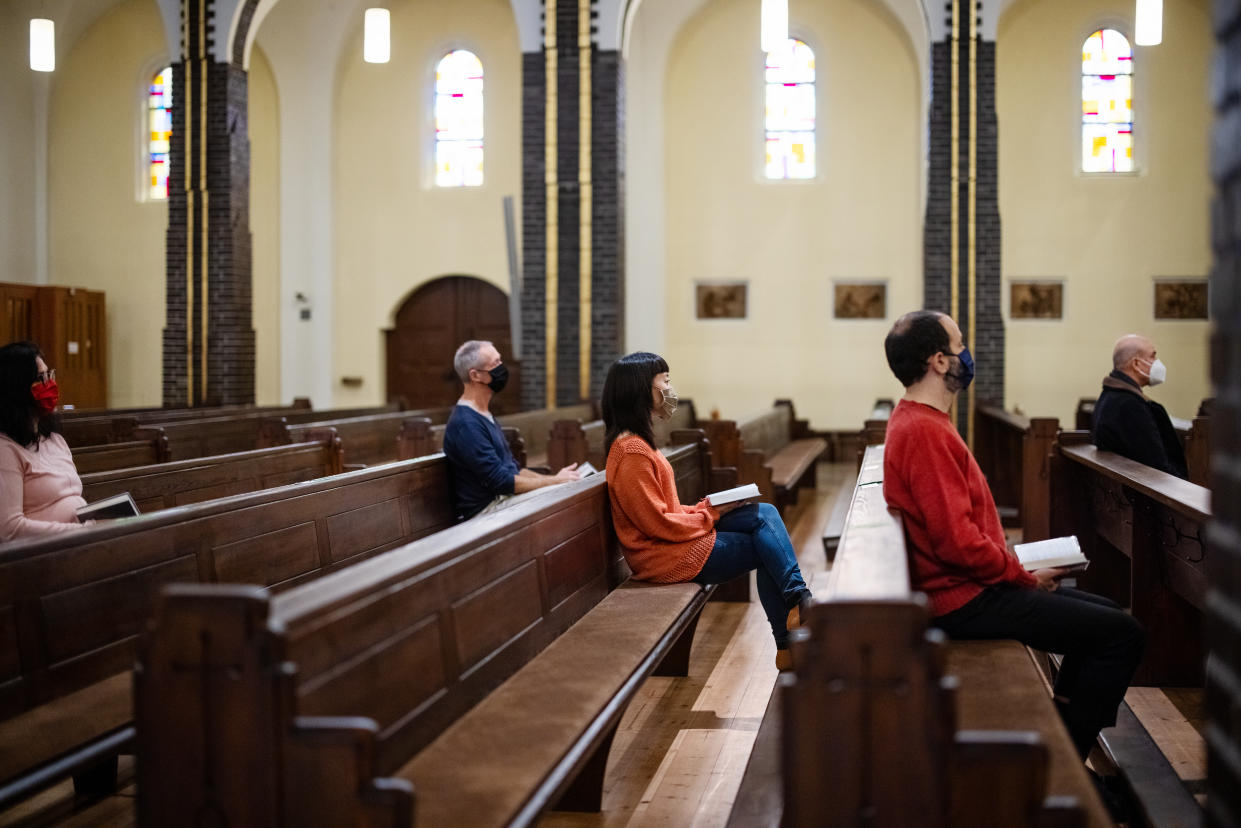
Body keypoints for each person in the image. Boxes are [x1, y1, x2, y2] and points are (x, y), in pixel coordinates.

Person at [881, 311, 1144, 761]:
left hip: (966, 588)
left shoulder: (922, 421)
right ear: (939, 361)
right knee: (1121, 634)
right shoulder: (924, 431)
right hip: (962, 601)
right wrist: (1021, 576)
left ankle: (1063, 728)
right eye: (960, 345)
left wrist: (1016, 567)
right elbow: (956, 543)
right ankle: (1067, 765)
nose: (968, 354)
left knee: (1103, 614)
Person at [602, 352, 812, 671]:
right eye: (666, 381)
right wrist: (709, 515)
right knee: (764, 545)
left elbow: (664, 510)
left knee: (763, 512)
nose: (672, 388)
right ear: (641, 388)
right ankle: (794, 619)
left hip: (674, 544)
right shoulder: (631, 451)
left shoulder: (638, 444)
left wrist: (709, 506)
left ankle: (797, 605)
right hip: (664, 558)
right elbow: (657, 524)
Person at [442, 340, 580, 520]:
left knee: (570, 490)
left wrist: (560, 479)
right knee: (565, 501)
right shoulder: (466, 424)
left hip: (504, 500)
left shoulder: (483, 414)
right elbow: (501, 482)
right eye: (495, 364)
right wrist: (554, 482)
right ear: (476, 375)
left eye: (500, 361)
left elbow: (514, 470)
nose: (502, 368)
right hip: (486, 511)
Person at [0, 341, 88, 541]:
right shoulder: (5, 450)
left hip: (80, 543)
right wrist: (80, 532)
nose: (50, 384)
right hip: (43, 557)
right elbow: (9, 528)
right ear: (17, 388)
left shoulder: (54, 439)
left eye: (50, 375)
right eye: (42, 378)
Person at [1091, 334, 1188, 479]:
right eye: (1152, 356)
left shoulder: (1111, 395)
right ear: (1136, 364)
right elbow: (1157, 466)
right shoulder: (1130, 406)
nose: (1157, 362)